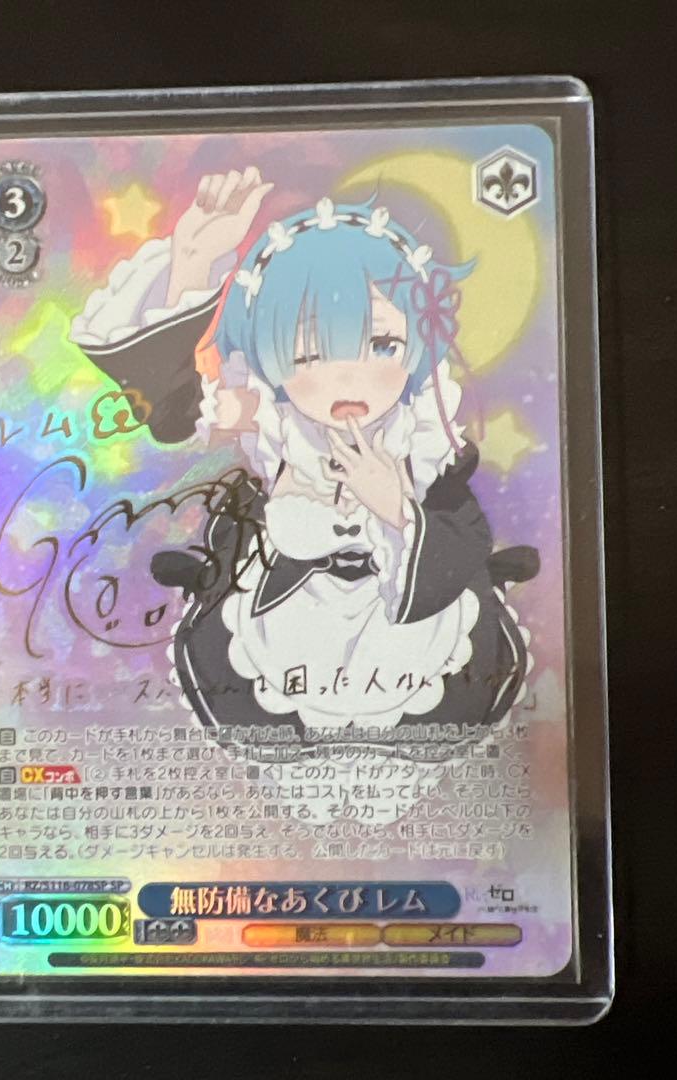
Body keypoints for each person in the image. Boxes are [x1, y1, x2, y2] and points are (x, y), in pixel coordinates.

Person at [71, 166, 538, 743]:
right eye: (311, 351)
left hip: (419, 629)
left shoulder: (424, 436)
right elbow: (170, 412)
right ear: (269, 356)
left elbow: (459, 534)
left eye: (381, 344)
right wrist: (191, 265)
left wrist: (397, 510)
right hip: (280, 619)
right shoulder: (270, 415)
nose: (348, 377)